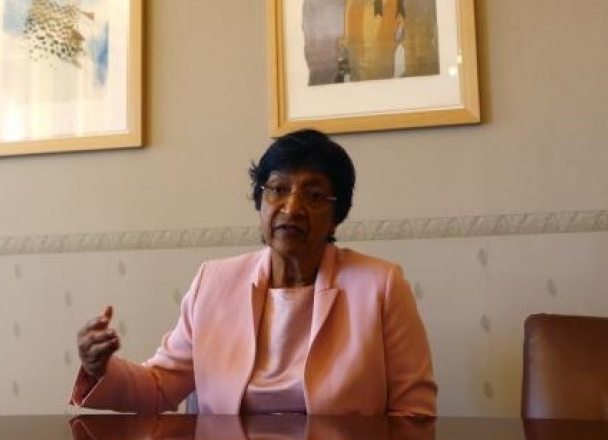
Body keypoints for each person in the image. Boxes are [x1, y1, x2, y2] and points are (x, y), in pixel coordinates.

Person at [71, 129, 436, 416]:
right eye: (278, 189)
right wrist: (100, 367)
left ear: (336, 215)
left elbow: (413, 412)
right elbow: (159, 387)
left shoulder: (380, 285)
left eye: (313, 195)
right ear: (260, 200)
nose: (291, 208)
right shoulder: (213, 282)